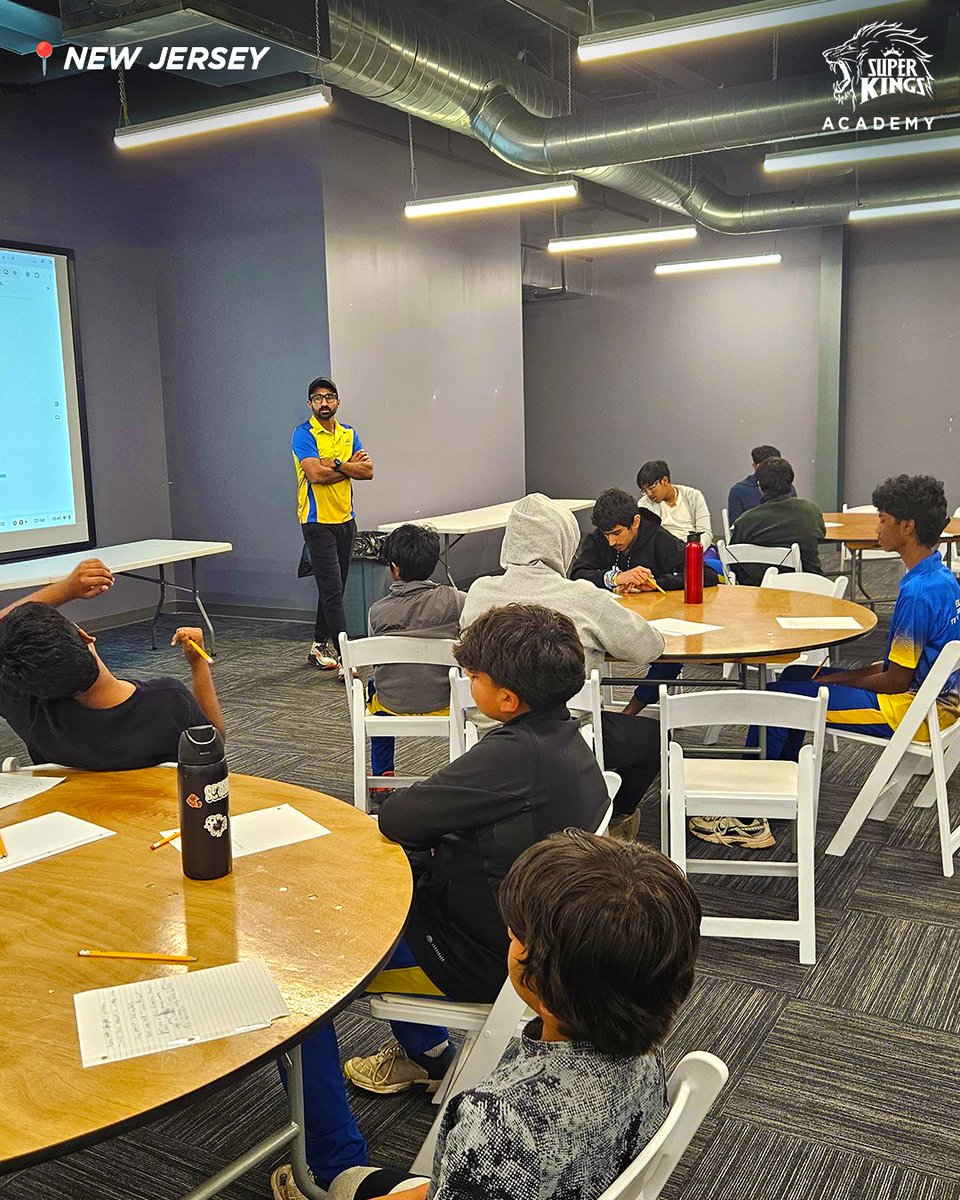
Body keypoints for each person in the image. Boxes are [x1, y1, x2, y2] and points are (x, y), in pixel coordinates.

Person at [271, 603, 609, 1200]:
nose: (467, 682)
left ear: (507, 698)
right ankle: (430, 1058)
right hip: (514, 931)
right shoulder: (564, 741)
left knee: (296, 989)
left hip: (479, 958)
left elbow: (400, 816)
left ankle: (327, 1167)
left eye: (474, 676)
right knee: (390, 906)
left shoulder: (514, 756)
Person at [320, 831, 702, 1200]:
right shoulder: (645, 1049)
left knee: (346, 1183)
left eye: (516, 936)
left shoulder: (501, 1119)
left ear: (544, 985)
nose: (508, 934)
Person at [460, 493, 665, 836]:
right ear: (564, 542)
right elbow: (648, 647)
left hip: (488, 730)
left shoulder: (479, 592)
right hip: (568, 736)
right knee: (651, 736)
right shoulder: (583, 597)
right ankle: (615, 817)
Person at [742, 474, 960, 766]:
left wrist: (838, 680)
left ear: (907, 527)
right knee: (793, 676)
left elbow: (895, 681)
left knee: (773, 700)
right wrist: (837, 679)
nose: (877, 528)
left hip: (908, 711)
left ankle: (753, 791)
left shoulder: (917, 593)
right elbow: (899, 667)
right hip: (941, 703)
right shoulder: (943, 577)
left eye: (882, 520)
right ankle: (785, 775)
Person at [0, 558, 223, 769]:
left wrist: (65, 589)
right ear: (84, 636)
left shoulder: (24, 705)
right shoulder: (170, 700)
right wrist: (198, 664)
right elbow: (213, 743)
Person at [570, 488, 719, 718]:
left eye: (617, 533)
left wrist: (658, 582)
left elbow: (706, 574)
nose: (611, 541)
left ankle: (630, 712)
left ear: (636, 522)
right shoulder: (599, 539)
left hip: (656, 624)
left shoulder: (658, 538)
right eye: (606, 534)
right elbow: (577, 575)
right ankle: (583, 712)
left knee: (670, 657)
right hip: (609, 620)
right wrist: (614, 578)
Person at [366, 523, 465, 784]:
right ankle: (461, 773)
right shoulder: (457, 601)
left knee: (374, 684)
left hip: (392, 704)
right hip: (446, 701)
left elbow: (377, 662)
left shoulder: (377, 612)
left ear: (395, 568)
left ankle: (382, 775)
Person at [292, 376, 373, 674]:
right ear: (310, 403)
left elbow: (368, 471)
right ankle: (346, 659)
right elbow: (315, 475)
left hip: (345, 520)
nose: (323, 402)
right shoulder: (303, 434)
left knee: (334, 589)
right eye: (317, 398)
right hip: (317, 522)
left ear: (337, 401)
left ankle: (318, 644)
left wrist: (336, 463)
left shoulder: (349, 433)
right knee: (332, 589)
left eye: (329, 397)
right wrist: (349, 467)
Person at [729, 457, 825, 584]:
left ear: (759, 486)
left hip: (761, 588)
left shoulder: (745, 521)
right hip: (809, 585)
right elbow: (820, 536)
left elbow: (733, 558)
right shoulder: (811, 511)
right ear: (790, 483)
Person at [637, 459, 712, 543]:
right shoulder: (644, 505)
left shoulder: (693, 496)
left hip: (692, 545)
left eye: (651, 488)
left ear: (665, 481)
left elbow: (706, 533)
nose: (649, 493)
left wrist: (693, 549)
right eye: (644, 490)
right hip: (664, 547)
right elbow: (649, 538)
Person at [727, 443, 796, 526]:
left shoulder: (787, 487)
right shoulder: (738, 491)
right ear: (754, 466)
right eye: (764, 467)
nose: (768, 470)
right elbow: (736, 527)